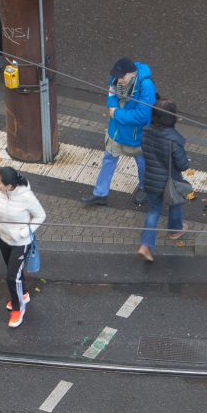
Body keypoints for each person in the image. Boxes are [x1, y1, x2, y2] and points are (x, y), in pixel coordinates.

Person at [81, 56, 157, 206]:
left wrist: (116, 113)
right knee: (109, 158)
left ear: (132, 73)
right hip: (116, 130)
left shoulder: (146, 85)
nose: (119, 80)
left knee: (142, 162)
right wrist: (113, 108)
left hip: (135, 134)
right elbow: (111, 97)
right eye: (117, 77)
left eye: (122, 77)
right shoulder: (116, 78)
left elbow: (142, 116)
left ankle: (144, 188)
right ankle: (100, 194)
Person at [0, 166, 46, 328]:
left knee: (11, 277)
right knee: (15, 273)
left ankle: (18, 308)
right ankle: (23, 294)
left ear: (10, 187)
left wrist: (25, 232)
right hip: (3, 238)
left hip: (21, 243)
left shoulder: (26, 197)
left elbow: (41, 215)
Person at [137, 99, 189, 262]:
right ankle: (175, 230)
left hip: (151, 179)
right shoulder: (174, 139)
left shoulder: (145, 131)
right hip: (170, 181)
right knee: (175, 203)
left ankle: (145, 245)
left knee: (153, 211)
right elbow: (182, 165)